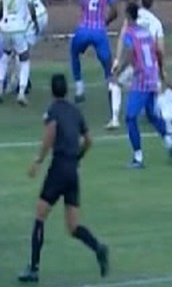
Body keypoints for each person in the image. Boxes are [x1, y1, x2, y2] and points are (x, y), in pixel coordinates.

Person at [20, 73, 110, 284]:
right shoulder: (75, 111)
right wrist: (77, 157)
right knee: (73, 226)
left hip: (59, 168)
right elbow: (88, 140)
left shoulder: (53, 111)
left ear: (52, 91)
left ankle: (33, 269)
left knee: (40, 215)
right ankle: (98, 248)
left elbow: (50, 133)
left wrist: (38, 160)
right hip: (72, 171)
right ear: (66, 90)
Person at [111, 0, 172, 129]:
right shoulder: (156, 23)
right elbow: (160, 50)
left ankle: (115, 118)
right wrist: (162, 68)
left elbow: (124, 40)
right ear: (152, 3)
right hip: (151, 68)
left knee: (115, 84)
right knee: (168, 92)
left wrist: (117, 61)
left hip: (135, 68)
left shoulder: (132, 20)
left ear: (140, 1)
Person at [111, 2, 172, 168]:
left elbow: (129, 55)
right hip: (152, 75)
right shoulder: (146, 32)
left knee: (130, 117)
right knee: (151, 114)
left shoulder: (130, 34)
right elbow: (158, 53)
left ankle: (138, 157)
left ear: (127, 16)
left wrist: (117, 73)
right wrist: (161, 72)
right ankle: (169, 141)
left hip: (141, 79)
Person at [48, 0, 116, 104]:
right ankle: (111, 86)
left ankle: (79, 88)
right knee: (107, 61)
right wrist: (106, 22)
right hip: (99, 31)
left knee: (74, 53)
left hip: (83, 29)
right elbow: (115, 10)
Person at [0, 0, 41, 105]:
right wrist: (35, 23)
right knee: (24, 57)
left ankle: (0, 86)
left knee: (5, 55)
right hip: (19, 26)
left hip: (5, 25)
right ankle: (21, 90)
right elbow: (31, 7)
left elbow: (0, 7)